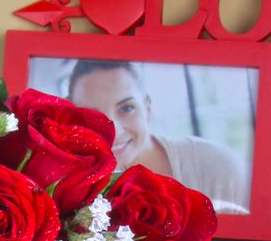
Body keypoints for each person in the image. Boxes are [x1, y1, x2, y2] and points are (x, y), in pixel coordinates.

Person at [68, 59, 250, 214]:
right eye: (92, 116)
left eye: (127, 108)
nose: (114, 131)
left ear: (147, 109)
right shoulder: (64, 188)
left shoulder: (220, 169)